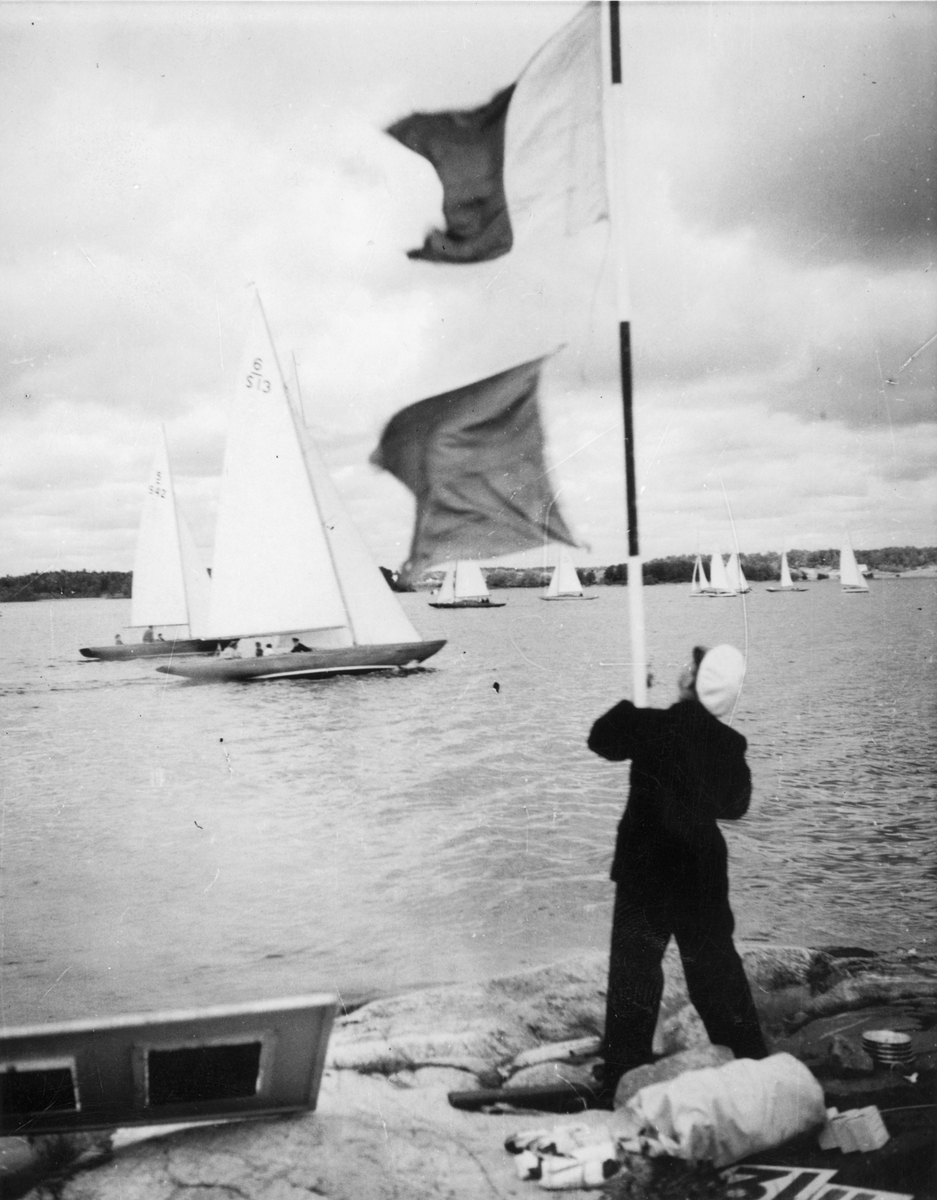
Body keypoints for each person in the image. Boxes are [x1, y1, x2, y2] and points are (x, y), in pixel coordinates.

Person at [587, 643, 767, 1104]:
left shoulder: (654, 725)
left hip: (646, 869)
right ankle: (751, 1061)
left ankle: (622, 1075)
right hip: (700, 871)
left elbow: (601, 739)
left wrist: (632, 700)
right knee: (715, 970)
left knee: (635, 972)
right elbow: (735, 806)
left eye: (691, 665)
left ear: (693, 682)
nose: (683, 668)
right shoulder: (729, 743)